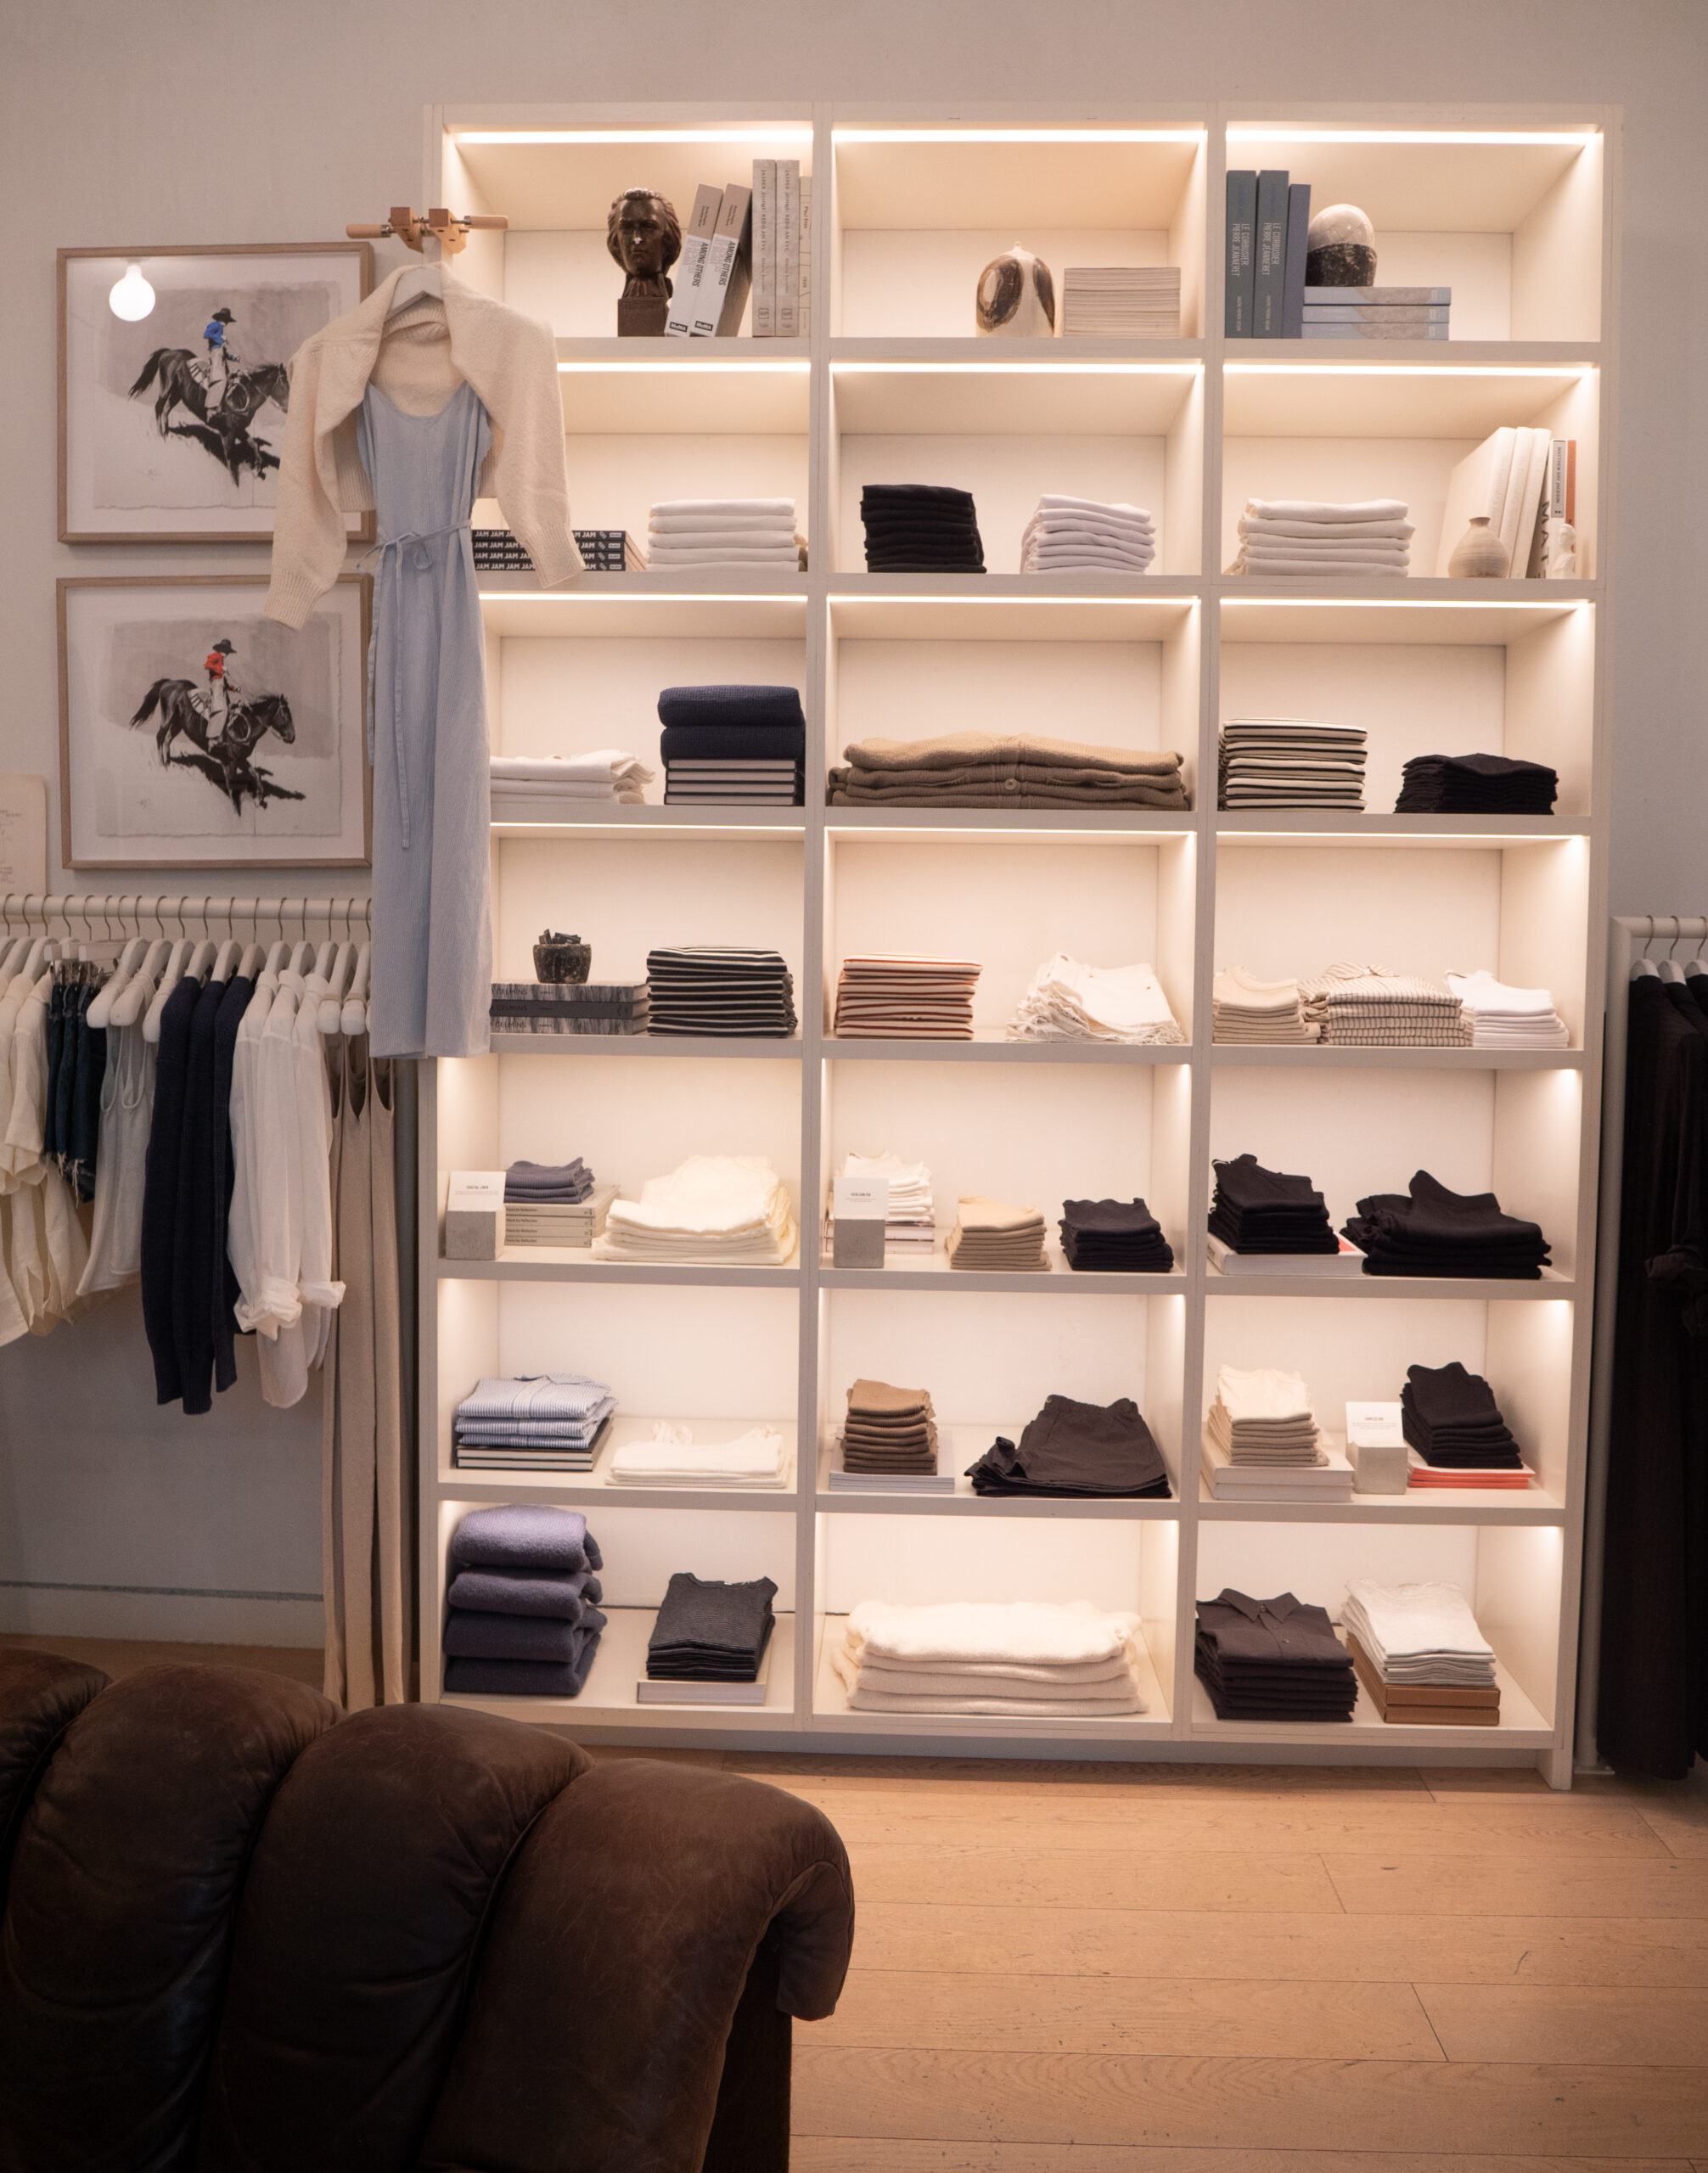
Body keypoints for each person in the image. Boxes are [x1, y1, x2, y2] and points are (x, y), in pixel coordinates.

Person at [195, 306, 239, 408]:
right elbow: (206, 334)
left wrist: (234, 358)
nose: (227, 322)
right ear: (221, 318)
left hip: (220, 357)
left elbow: (223, 353)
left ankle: (219, 405)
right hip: (216, 357)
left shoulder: (220, 329)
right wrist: (220, 337)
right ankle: (211, 407)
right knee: (221, 379)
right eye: (226, 319)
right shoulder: (216, 325)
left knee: (228, 379)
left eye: (227, 320)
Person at [195, 638, 240, 737]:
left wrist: (235, 688)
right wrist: (221, 668)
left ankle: (222, 735)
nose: (227, 653)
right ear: (222, 649)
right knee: (222, 709)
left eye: (228, 651)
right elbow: (207, 665)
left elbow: (225, 683)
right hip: (216, 688)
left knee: (229, 709)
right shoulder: (216, 655)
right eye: (226, 650)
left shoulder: (221, 659)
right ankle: (212, 736)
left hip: (221, 688)